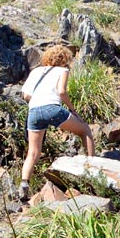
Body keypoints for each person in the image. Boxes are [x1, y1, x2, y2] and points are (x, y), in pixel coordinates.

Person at [19, 45, 97, 201]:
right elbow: (61, 91)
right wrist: (73, 110)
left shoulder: (35, 71)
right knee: (85, 130)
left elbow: (26, 95)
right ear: (65, 59)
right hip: (52, 108)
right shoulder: (62, 71)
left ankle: (23, 185)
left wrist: (38, 102)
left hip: (33, 111)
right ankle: (92, 169)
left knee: (33, 152)